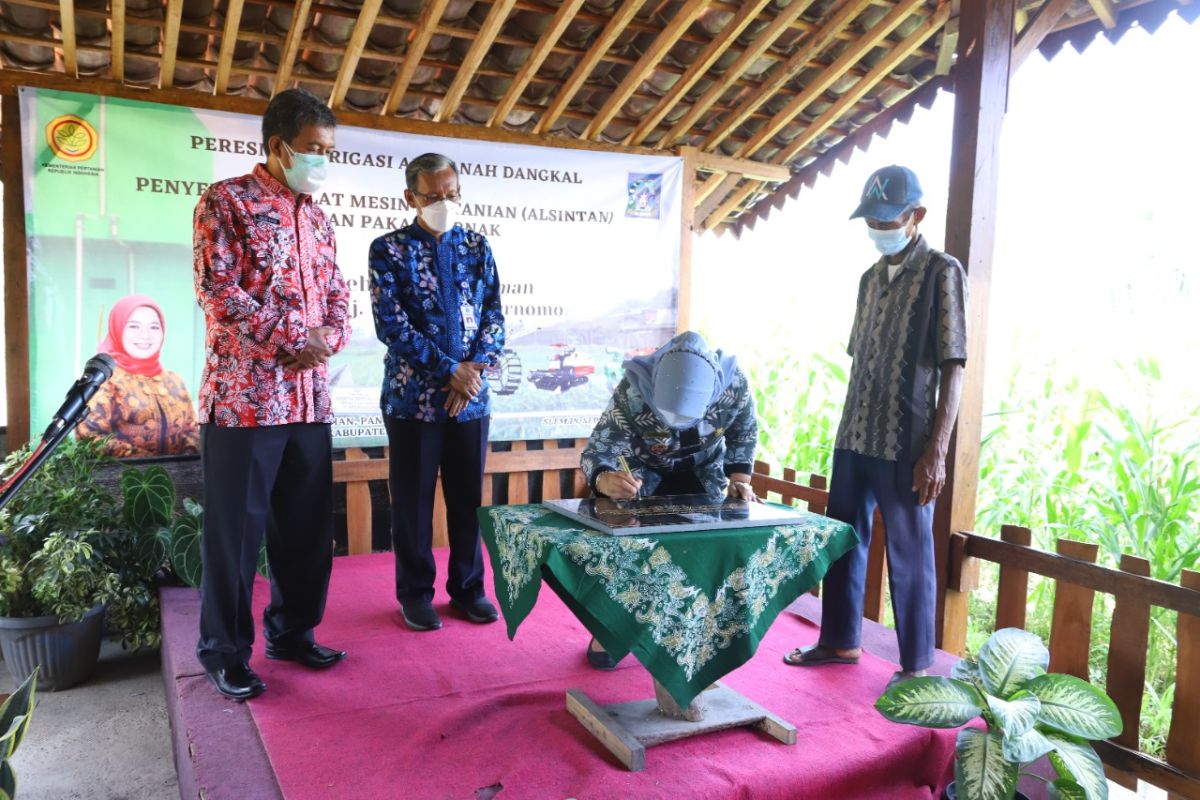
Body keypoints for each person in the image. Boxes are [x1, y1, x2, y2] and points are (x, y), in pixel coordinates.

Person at [192, 88, 351, 701]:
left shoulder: (317, 216)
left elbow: (339, 294)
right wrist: (292, 336)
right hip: (246, 401)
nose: (323, 161)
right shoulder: (225, 201)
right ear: (280, 146)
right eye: (315, 150)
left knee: (307, 530)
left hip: (309, 399)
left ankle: (292, 632)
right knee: (236, 536)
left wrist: (326, 341)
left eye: (329, 151)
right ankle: (224, 652)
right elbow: (219, 291)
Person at [783, 165, 966, 689]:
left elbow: (954, 363)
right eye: (872, 219)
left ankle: (915, 668)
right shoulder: (868, 279)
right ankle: (839, 641)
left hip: (906, 441)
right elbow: (860, 358)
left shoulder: (941, 272)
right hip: (855, 433)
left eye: (888, 219)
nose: (878, 228)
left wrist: (937, 450)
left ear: (916, 217)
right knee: (844, 540)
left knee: (911, 554)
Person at [368, 152, 506, 633]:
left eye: (450, 195)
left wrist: (471, 375)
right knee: (413, 502)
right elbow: (393, 326)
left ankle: (469, 590)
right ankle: (415, 595)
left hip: (471, 400)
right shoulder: (387, 250)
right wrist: (449, 371)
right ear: (411, 197)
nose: (443, 203)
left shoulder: (476, 245)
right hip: (413, 401)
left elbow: (495, 316)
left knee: (468, 500)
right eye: (432, 196)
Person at [579, 330, 759, 668]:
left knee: (702, 550)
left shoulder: (734, 385)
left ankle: (690, 632)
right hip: (640, 475)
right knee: (627, 546)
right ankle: (610, 629)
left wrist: (739, 479)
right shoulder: (634, 389)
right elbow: (599, 449)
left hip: (703, 473)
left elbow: (743, 433)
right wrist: (605, 479)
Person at [76, 295, 200, 457]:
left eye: (154, 327)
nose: (145, 335)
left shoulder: (174, 381)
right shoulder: (104, 381)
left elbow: (191, 429)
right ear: (117, 328)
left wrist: (185, 460)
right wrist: (150, 466)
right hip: (121, 480)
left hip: (179, 478)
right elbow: (90, 438)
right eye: (134, 326)